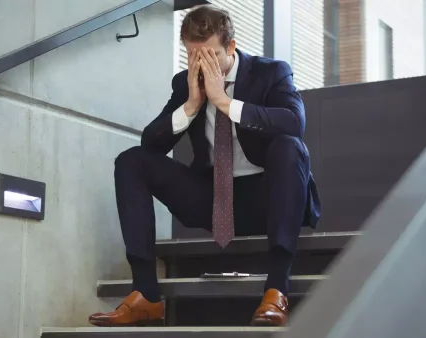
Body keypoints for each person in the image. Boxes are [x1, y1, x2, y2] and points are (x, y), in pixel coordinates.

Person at [89, 4, 321, 327]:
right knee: (131, 162)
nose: (201, 65)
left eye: (210, 56)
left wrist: (226, 102)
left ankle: (276, 289)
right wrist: (191, 105)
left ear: (231, 47)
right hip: (215, 199)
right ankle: (146, 294)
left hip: (268, 198)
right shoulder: (186, 83)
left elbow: (294, 123)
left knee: (289, 146)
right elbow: (151, 143)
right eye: (193, 56)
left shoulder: (272, 72)